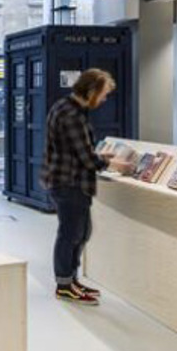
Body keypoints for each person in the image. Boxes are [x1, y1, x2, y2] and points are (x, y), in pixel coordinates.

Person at [41, 68, 116, 306]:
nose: (104, 100)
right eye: (103, 94)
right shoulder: (72, 115)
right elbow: (86, 158)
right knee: (71, 234)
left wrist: (98, 155)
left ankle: (71, 280)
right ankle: (64, 284)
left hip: (67, 181)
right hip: (70, 183)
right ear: (91, 90)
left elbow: (74, 149)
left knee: (81, 232)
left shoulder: (64, 107)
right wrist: (111, 162)